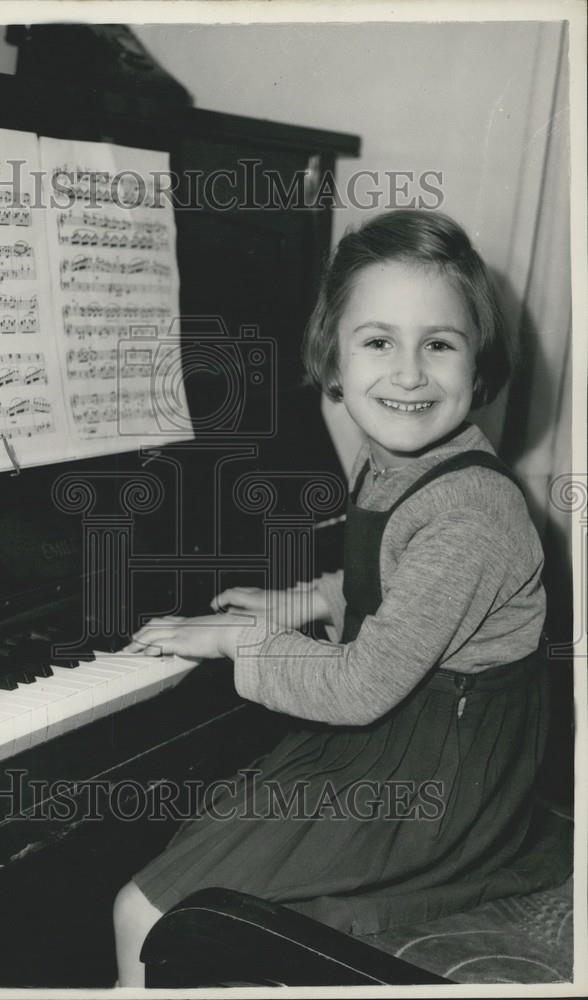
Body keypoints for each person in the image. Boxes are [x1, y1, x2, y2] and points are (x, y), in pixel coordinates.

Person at [113, 210, 568, 987]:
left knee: (145, 910)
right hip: (406, 737)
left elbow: (360, 685)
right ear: (334, 357)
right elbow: (385, 587)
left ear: (478, 362)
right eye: (379, 341)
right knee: (206, 835)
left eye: (440, 344)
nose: (410, 372)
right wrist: (301, 603)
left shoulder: (472, 516)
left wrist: (233, 642)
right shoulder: (393, 458)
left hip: (435, 781)